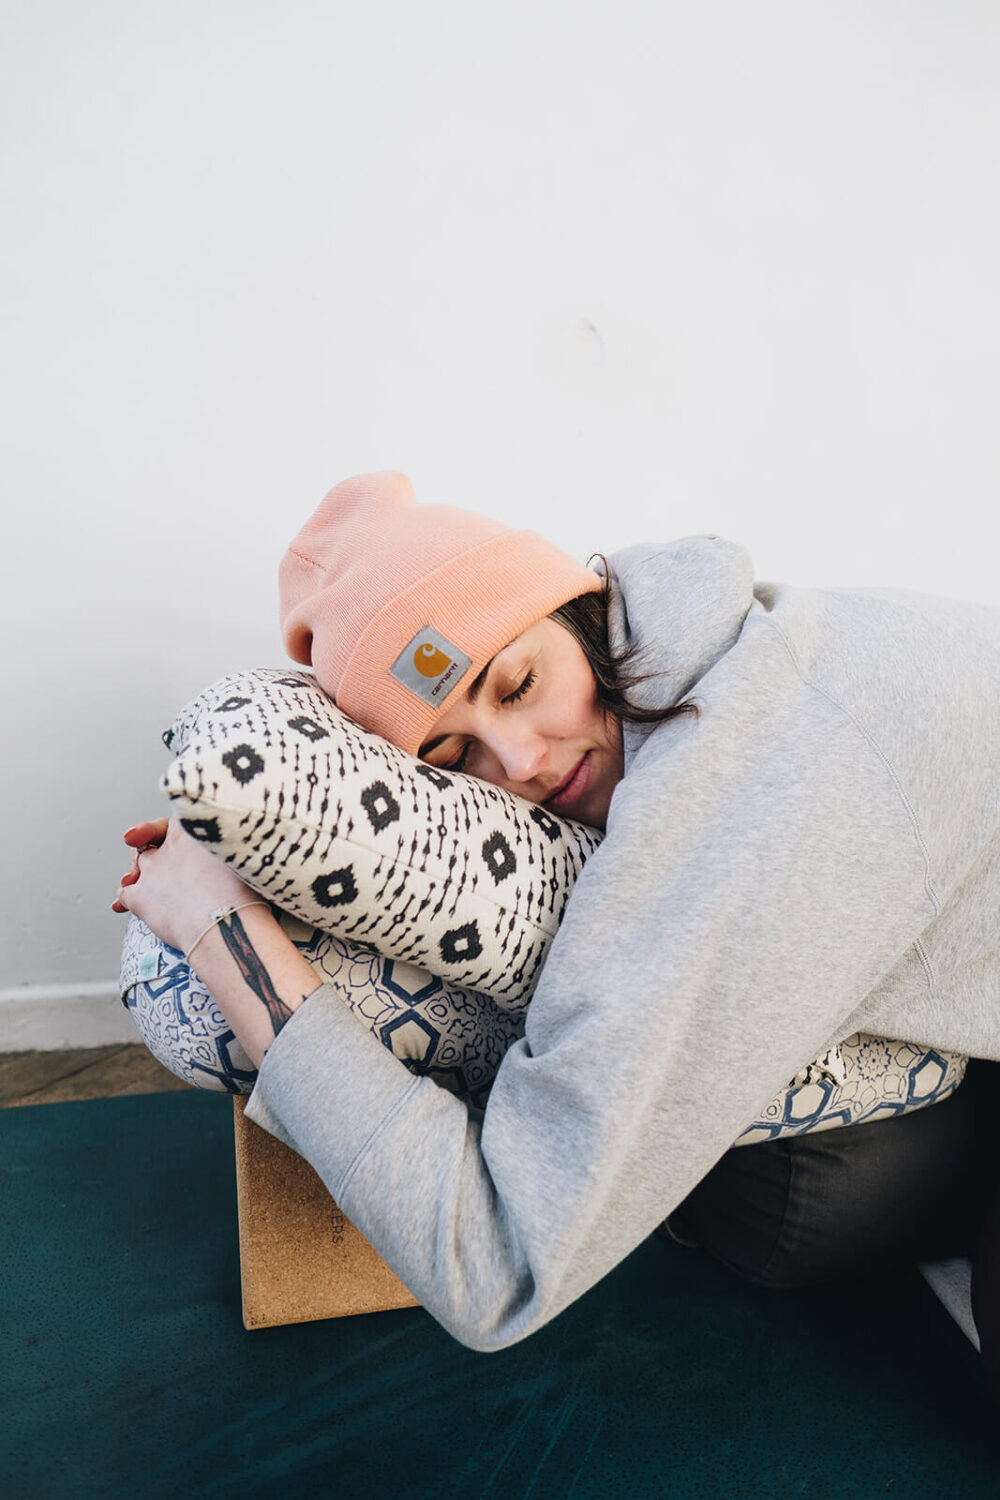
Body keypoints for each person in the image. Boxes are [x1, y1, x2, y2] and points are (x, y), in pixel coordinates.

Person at [113, 471, 1000, 1379]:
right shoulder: (713, 639)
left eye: (519, 683)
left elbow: (497, 1268)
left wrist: (222, 926)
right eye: (454, 758)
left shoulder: (751, 789)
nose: (525, 762)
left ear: (575, 605)